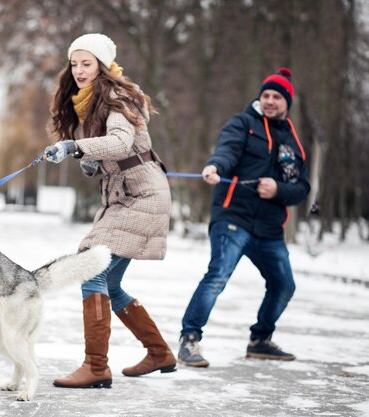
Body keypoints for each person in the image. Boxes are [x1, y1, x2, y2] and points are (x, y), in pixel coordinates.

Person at [43, 33, 176, 389]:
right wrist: (91, 161)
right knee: (110, 282)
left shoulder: (116, 96)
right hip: (126, 193)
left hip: (141, 195)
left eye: (87, 63)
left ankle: (96, 366)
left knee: (91, 269)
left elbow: (121, 143)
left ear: (102, 65)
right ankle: (159, 352)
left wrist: (75, 147)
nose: (79, 70)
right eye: (74, 63)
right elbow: (110, 152)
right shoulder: (90, 100)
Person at [178, 68, 311, 367]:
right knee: (218, 276)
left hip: (269, 228)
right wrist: (215, 167)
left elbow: (302, 188)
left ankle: (261, 339)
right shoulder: (244, 123)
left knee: (284, 285)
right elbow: (227, 150)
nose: (270, 101)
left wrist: (278, 189)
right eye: (265, 95)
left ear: (287, 101)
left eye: (277, 96)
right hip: (233, 218)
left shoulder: (293, 140)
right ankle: (189, 340)